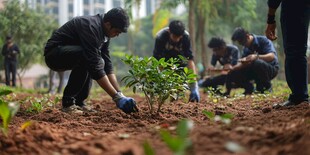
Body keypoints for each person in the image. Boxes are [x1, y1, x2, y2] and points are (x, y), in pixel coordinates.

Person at [44, 7, 138, 114]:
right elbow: (94, 65)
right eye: (117, 31)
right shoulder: (91, 27)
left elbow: (107, 64)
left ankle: (79, 102)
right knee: (89, 58)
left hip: (71, 54)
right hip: (54, 54)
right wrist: (116, 98)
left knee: (98, 60)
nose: (117, 35)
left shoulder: (105, 33)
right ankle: (68, 103)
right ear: (108, 24)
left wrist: (120, 94)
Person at [265, 1, 310, 107]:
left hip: (295, 5)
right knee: (297, 50)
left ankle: (299, 97)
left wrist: (270, 19)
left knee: (294, 50)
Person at [153, 20, 200, 102]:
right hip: (164, 62)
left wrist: (194, 86)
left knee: (179, 85)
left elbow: (190, 60)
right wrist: (159, 80)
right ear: (169, 31)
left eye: (179, 37)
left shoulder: (185, 37)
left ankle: (175, 102)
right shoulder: (160, 37)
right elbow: (157, 60)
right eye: (175, 37)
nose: (177, 39)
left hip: (180, 62)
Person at [224, 27, 279, 96]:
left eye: (243, 42)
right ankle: (249, 88)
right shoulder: (246, 48)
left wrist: (256, 57)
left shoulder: (263, 40)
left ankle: (267, 87)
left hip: (271, 69)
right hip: (255, 71)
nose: (243, 45)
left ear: (247, 36)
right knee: (234, 72)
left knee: (257, 63)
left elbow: (271, 56)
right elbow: (243, 63)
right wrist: (232, 68)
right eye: (240, 43)